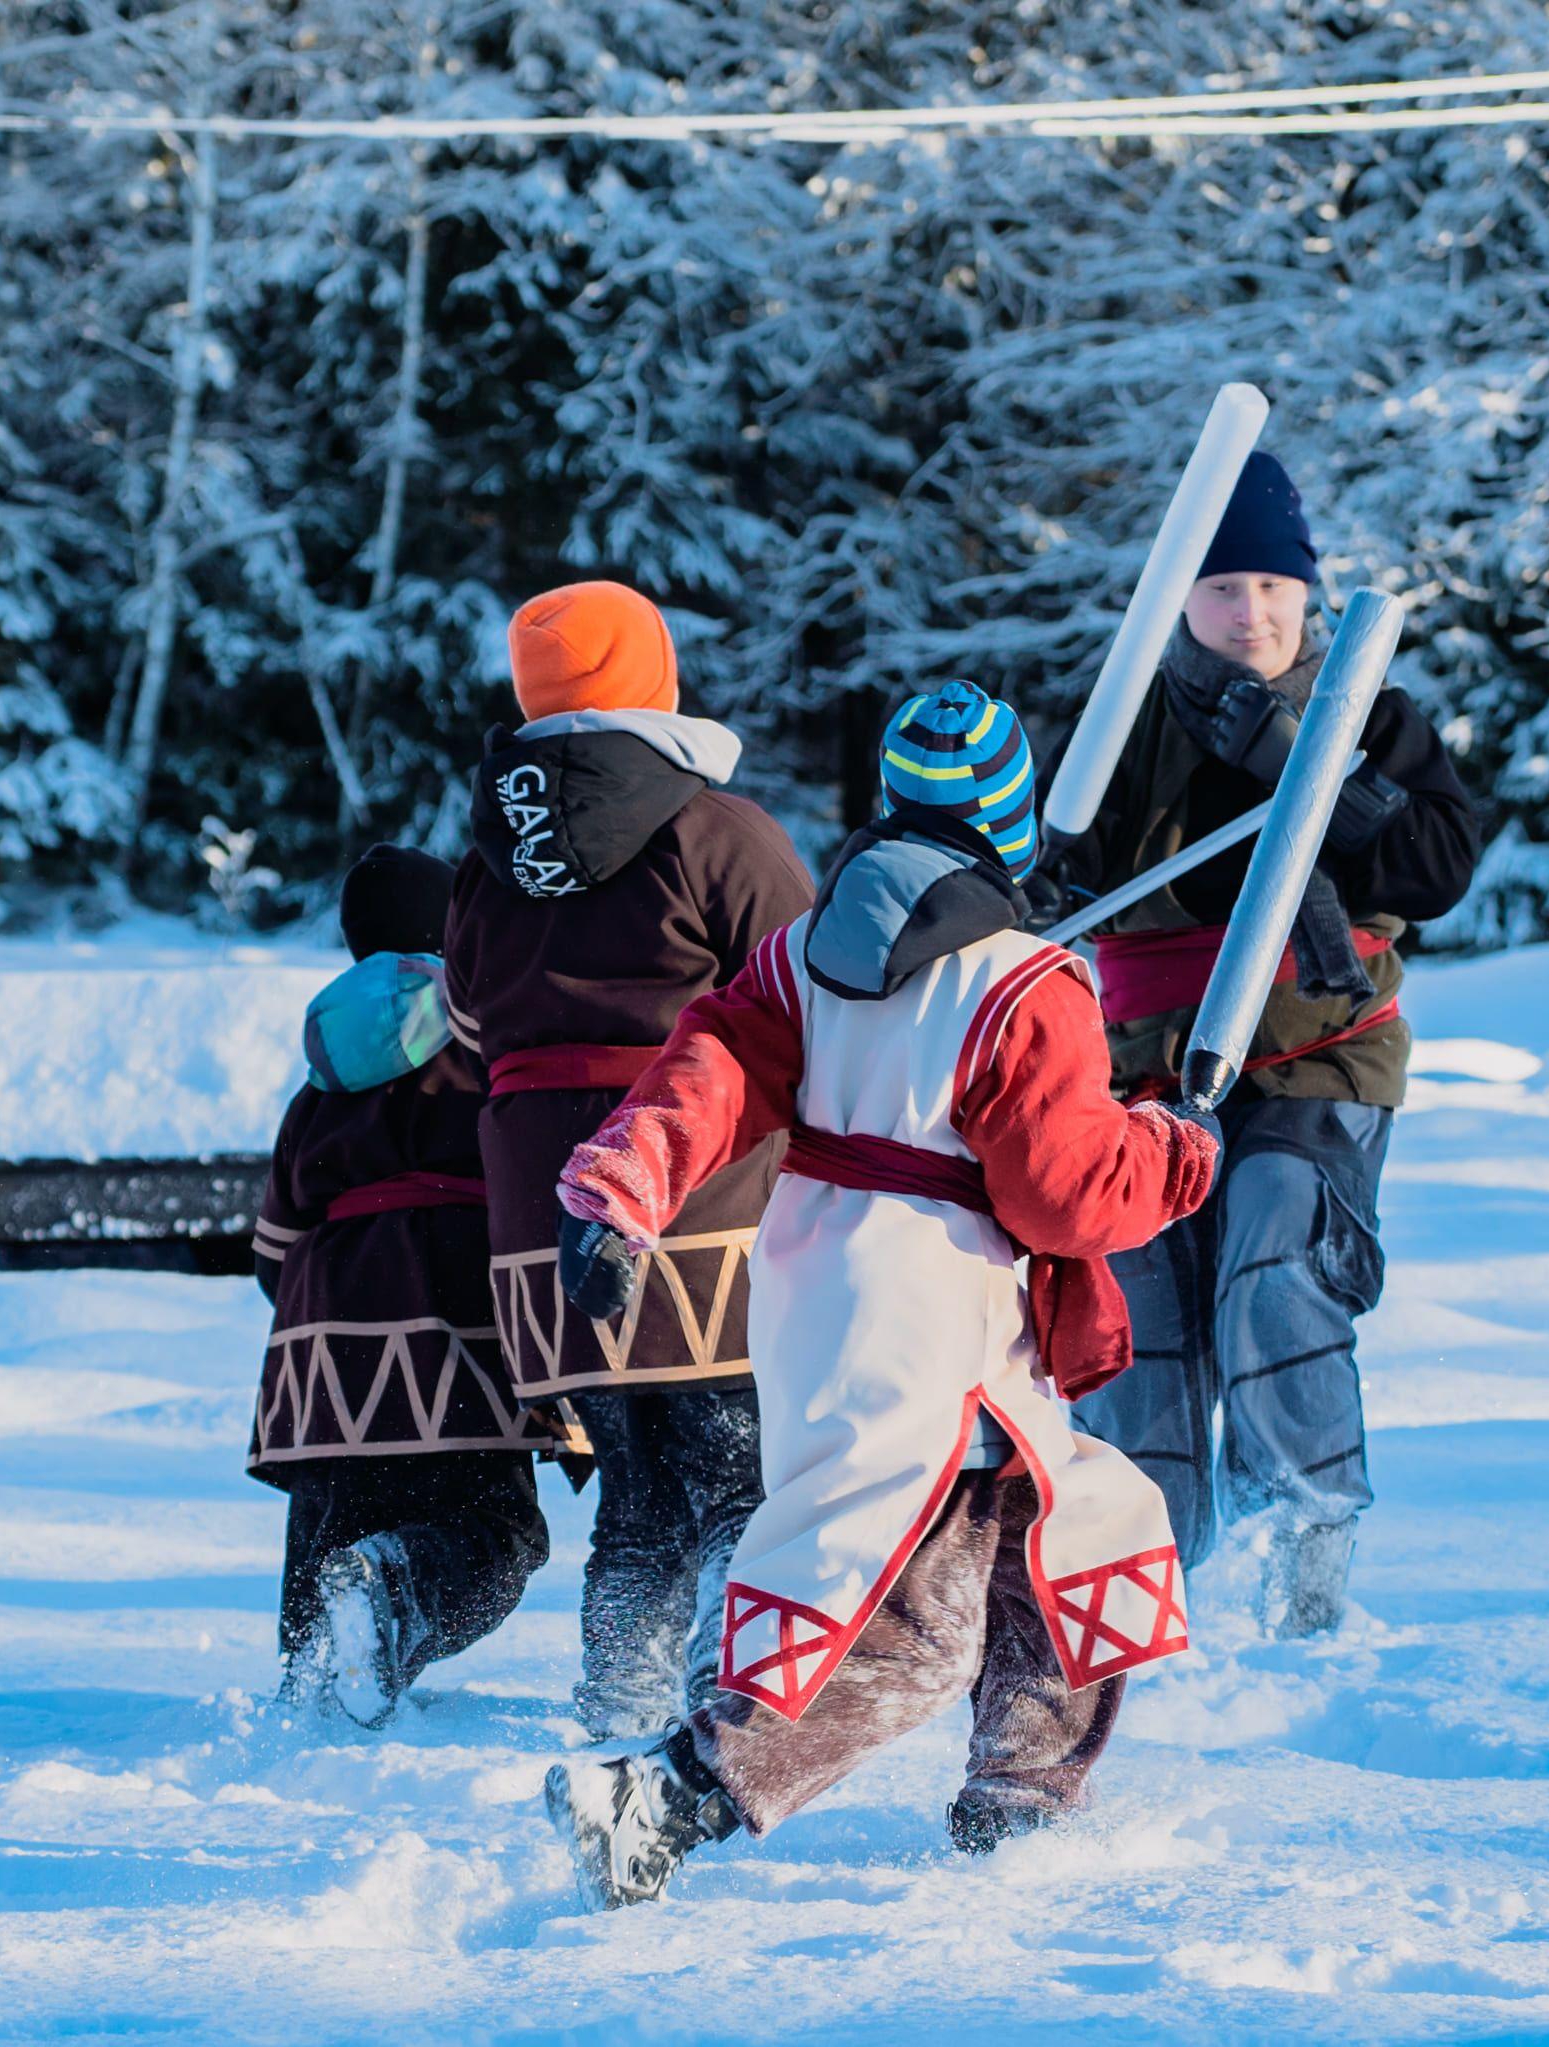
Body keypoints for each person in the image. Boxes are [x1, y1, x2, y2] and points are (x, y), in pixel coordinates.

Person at [537, 681, 1218, 1906]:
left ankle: (1022, 1794)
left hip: (831, 1288)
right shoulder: (1026, 982)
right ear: (1011, 818)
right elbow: (1062, 1192)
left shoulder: (801, 955)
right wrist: (1173, 1151)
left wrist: (623, 1185)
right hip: (936, 1310)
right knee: (907, 1612)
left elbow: (709, 1069)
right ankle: (669, 1792)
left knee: (1064, 1522)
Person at [1048, 451, 1480, 1636]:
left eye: (1273, 587)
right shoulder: (1120, 719)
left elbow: (1434, 872)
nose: (1250, 611)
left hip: (1319, 1054)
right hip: (1146, 1066)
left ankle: (1306, 1546)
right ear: (1176, 597)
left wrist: (1299, 764)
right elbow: (1051, 872)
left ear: (1309, 592)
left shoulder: (1370, 710)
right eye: (1222, 586)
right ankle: (1145, 1583)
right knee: (1144, 1323)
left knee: (1273, 1259)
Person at [442, 580, 816, 1737]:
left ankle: (621, 1696)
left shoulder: (483, 854)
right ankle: (727, 1706)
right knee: (734, 1467)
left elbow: (462, 1017)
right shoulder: (717, 830)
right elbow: (804, 991)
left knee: (635, 1476)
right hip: (690, 1187)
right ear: (651, 677)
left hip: (539, 1208)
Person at [250, 844, 559, 1724]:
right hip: (456, 1332)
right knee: (495, 1536)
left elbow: (274, 1242)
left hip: (321, 1351)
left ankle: (310, 1698)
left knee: (328, 1535)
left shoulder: (321, 1079)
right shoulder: (484, 1043)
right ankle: (391, 1591)